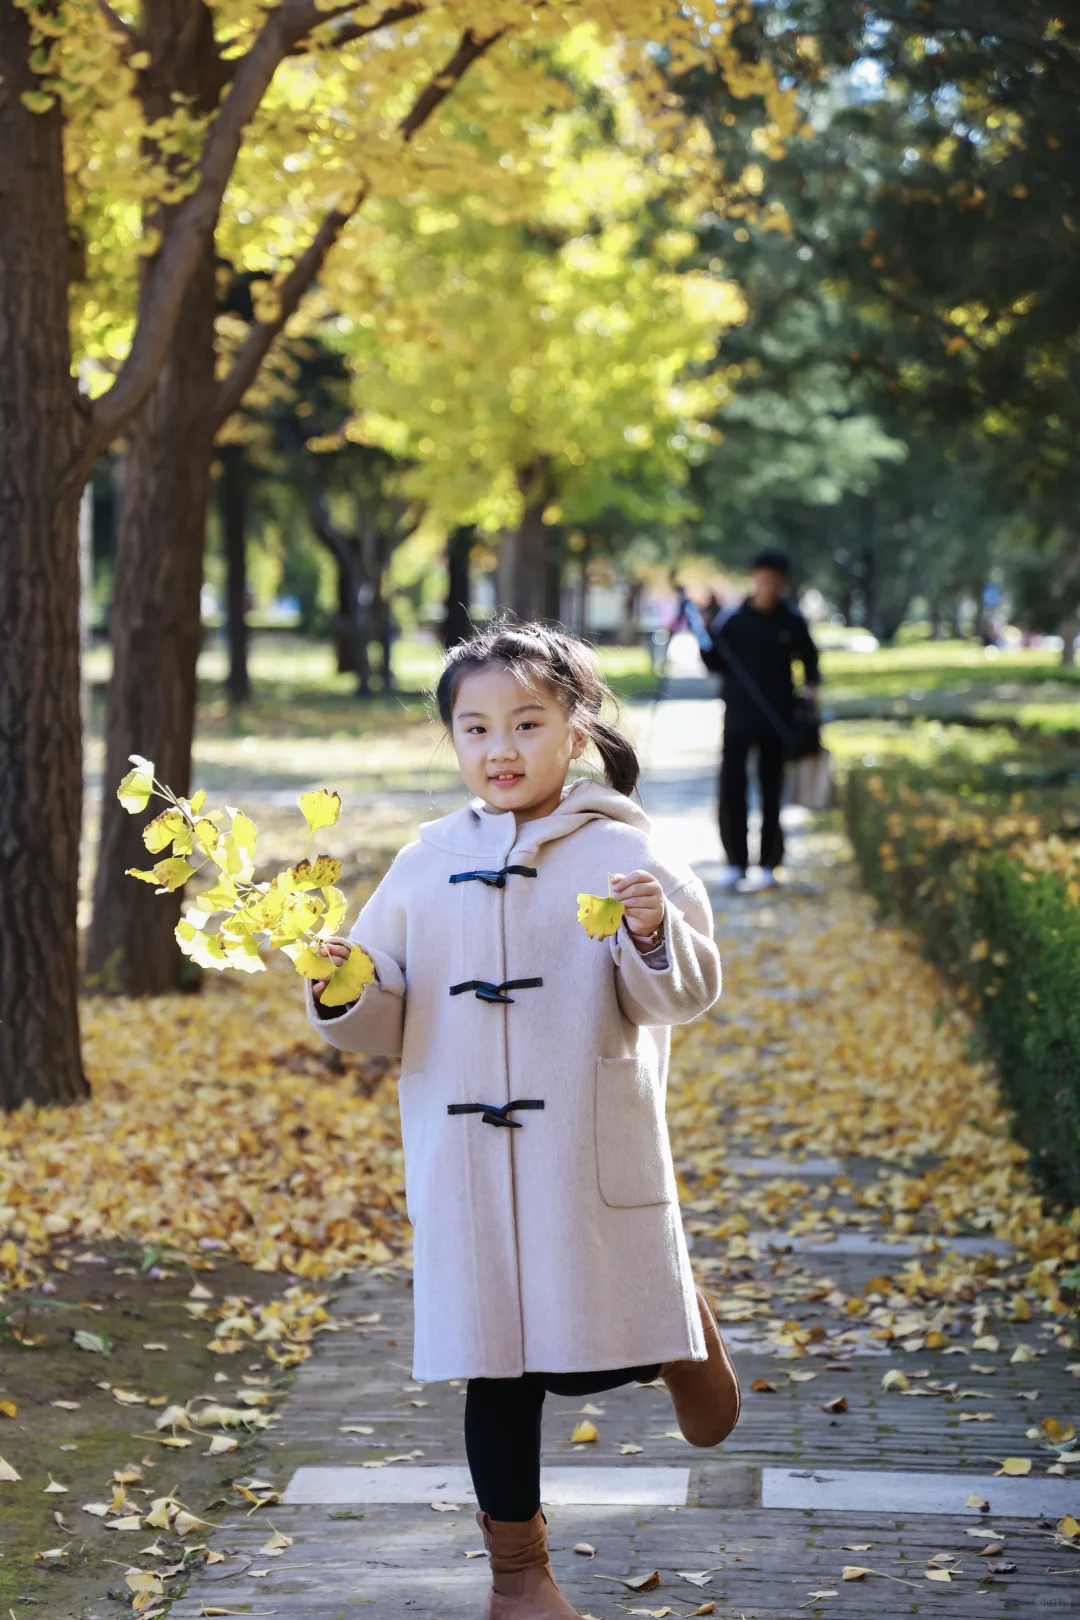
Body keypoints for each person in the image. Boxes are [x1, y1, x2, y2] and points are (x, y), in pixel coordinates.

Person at [308, 621, 739, 1619]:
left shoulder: (626, 849)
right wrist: (343, 986)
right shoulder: (423, 863)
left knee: (594, 1351)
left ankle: (677, 1337)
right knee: (496, 1370)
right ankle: (520, 1582)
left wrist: (647, 932)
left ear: (573, 732)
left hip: (583, 1149)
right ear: (453, 741)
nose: (500, 749)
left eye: (527, 723)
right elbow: (382, 1018)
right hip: (463, 1160)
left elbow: (686, 993)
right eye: (475, 728)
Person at [698, 550, 820, 890]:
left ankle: (769, 864)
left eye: (774, 582)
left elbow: (810, 659)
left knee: (771, 792)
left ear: (783, 584)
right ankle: (735, 863)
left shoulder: (792, 620)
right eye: (762, 580)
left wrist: (811, 688)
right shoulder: (733, 620)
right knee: (732, 790)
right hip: (737, 719)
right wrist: (704, 629)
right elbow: (714, 663)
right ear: (753, 580)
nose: (767, 587)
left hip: (777, 720)